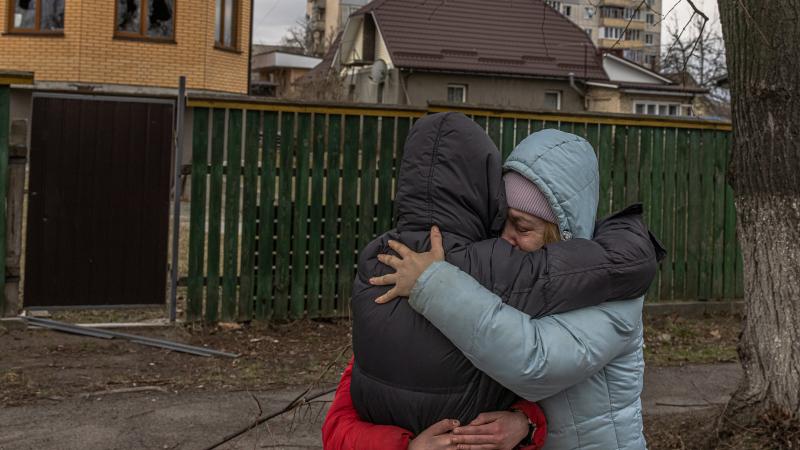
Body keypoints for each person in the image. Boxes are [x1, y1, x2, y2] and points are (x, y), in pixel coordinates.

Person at [323, 114, 663, 449]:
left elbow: (535, 362)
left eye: (523, 227)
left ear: (563, 232)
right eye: (502, 222)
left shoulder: (614, 296)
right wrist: (525, 421)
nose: (505, 238)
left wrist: (432, 282)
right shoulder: (502, 279)